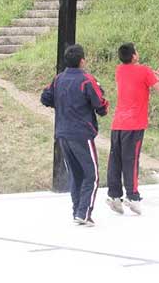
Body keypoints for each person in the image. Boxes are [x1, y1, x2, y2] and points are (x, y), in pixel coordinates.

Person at [40, 44, 109, 227]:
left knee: (76, 174)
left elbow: (45, 98)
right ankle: (84, 213)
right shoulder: (87, 80)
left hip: (62, 132)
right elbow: (100, 106)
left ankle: (77, 211)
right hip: (82, 133)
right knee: (92, 175)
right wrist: (103, 100)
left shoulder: (58, 79)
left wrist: (62, 105)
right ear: (82, 60)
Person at [106, 43, 159, 216]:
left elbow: (135, 78)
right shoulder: (144, 70)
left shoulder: (119, 70)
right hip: (134, 123)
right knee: (131, 161)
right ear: (134, 56)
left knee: (115, 160)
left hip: (118, 123)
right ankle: (133, 196)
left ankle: (114, 195)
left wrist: (150, 75)